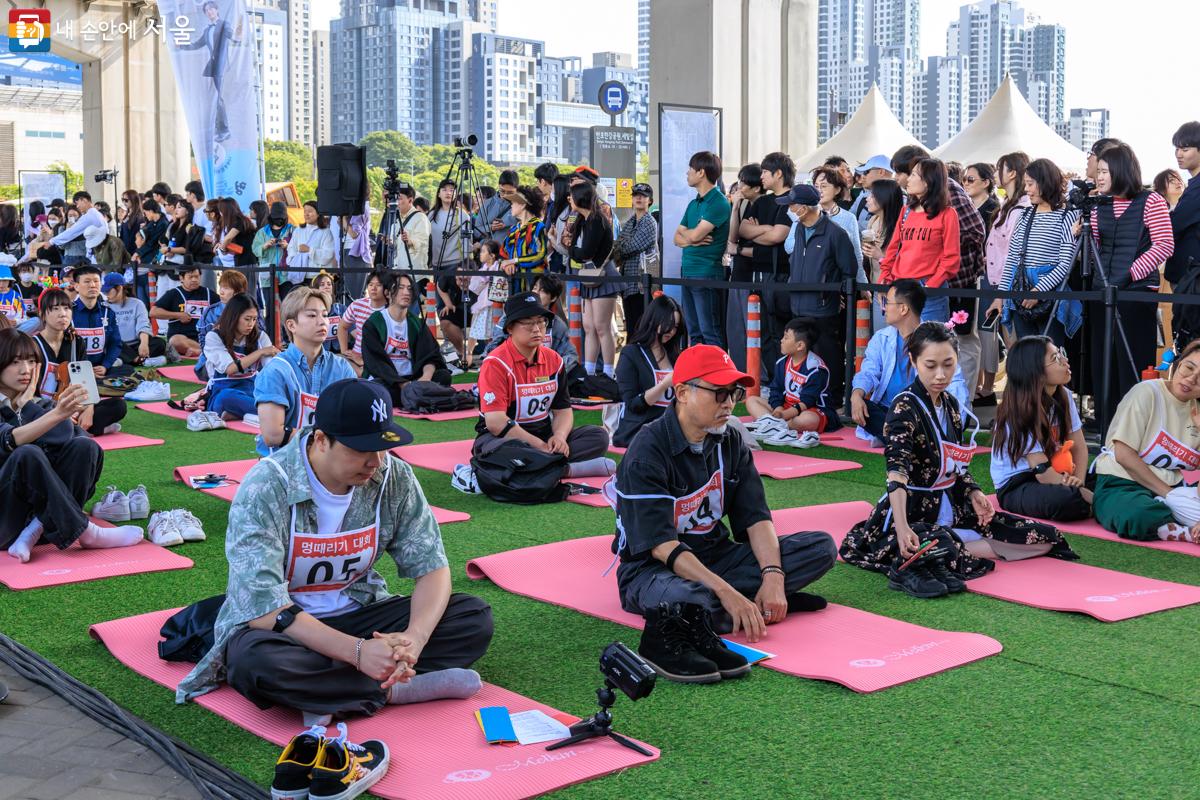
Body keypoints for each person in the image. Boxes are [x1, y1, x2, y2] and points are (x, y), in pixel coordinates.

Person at [176, 378, 494, 724]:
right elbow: (266, 610)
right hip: (287, 627)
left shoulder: (393, 476)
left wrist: (413, 639)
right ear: (321, 439)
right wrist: (357, 654)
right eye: (360, 449)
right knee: (256, 663)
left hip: (360, 613)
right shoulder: (266, 486)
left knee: (472, 617)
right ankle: (393, 689)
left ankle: (333, 690)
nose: (375, 461)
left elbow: (432, 567)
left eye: (381, 446)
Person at [610, 343, 837, 682]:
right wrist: (726, 592)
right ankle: (737, 603)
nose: (730, 403)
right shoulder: (647, 449)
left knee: (820, 548)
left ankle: (751, 600)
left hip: (719, 557)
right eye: (719, 393)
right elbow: (661, 546)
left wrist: (774, 575)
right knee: (688, 596)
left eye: (734, 393)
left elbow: (756, 518)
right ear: (683, 392)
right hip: (652, 570)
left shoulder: (730, 439)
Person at [840, 323, 1075, 598]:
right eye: (930, 365)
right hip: (910, 512)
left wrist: (974, 492)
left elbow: (958, 465)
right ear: (914, 362)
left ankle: (945, 550)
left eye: (948, 364)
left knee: (1043, 537)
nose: (940, 375)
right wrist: (902, 529)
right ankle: (933, 549)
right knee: (929, 539)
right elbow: (897, 474)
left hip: (953, 506)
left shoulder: (951, 405)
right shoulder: (904, 406)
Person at [1, 328, 144, 563]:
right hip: (5, 523)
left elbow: (67, 436)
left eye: (30, 361)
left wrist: (28, 404)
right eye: (15, 362)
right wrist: (49, 412)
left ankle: (36, 530)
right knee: (27, 453)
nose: (26, 370)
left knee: (85, 448)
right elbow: (8, 441)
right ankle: (86, 530)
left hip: (46, 528)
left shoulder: (36, 402)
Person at [1089, 144, 1175, 424]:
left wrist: (1130, 273)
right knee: (1104, 362)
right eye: (1097, 171)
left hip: (1137, 295)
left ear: (1120, 170)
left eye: (1104, 171)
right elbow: (1096, 248)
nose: (1098, 177)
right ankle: (1106, 421)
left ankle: (1136, 425)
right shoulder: (1098, 205)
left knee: (1133, 362)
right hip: (1102, 293)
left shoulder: (1150, 201)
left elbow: (1164, 245)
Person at [474, 292, 609, 469]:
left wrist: (559, 437)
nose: (537, 329)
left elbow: (563, 410)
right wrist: (539, 446)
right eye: (528, 323)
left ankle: (541, 467)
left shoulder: (554, 360)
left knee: (599, 436)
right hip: (504, 438)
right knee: (501, 451)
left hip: (545, 434)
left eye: (540, 322)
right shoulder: (495, 363)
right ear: (510, 328)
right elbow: (496, 422)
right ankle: (559, 468)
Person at [1091, 340, 1200, 543]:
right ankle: (1181, 529)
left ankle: (1173, 517)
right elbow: (1123, 454)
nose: (1191, 379)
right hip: (1122, 483)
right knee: (1137, 515)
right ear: (1178, 363)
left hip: (1172, 489)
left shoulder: (1197, 410)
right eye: (1188, 368)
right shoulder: (1147, 392)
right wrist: (1170, 496)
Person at [850, 280, 970, 443]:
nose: (883, 307)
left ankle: (896, 437)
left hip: (924, 413)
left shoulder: (935, 337)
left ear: (903, 308)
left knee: (950, 416)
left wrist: (955, 422)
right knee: (863, 407)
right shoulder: (881, 338)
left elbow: (956, 383)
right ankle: (908, 438)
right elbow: (868, 372)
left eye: (887, 302)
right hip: (890, 411)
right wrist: (856, 394)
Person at [991, 337, 1092, 522]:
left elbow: (1079, 447)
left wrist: (1079, 480)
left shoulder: (1065, 395)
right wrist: (1084, 494)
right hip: (1019, 483)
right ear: (1035, 373)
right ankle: (1090, 502)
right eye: (1055, 358)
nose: (1065, 361)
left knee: (1106, 477)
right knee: (1064, 500)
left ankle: (1087, 500)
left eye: (1060, 353)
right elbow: (1042, 472)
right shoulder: (1020, 409)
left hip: (1056, 470)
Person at [776, 184, 857, 399]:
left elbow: (849, 269)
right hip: (799, 304)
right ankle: (805, 395)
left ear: (803, 208)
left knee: (828, 353)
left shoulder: (836, 234)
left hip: (823, 308)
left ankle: (833, 396)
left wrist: (840, 294)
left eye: (791, 205)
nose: (789, 210)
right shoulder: (800, 229)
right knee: (802, 355)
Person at [989, 158, 1082, 345]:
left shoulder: (1068, 215)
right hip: (1021, 292)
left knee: (1051, 354)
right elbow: (1013, 260)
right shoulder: (1025, 214)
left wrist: (1038, 291)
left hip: (1050, 295)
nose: (1027, 189)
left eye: (1031, 184)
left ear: (1045, 182)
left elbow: (1065, 264)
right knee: (1028, 355)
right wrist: (1001, 296)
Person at [254, 288, 355, 457]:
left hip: (332, 459)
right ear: (291, 325)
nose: (322, 321)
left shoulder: (341, 367)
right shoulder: (275, 371)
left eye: (324, 314)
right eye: (312, 315)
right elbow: (273, 435)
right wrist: (328, 439)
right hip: (285, 460)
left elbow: (355, 417)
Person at [32, 289, 126, 436]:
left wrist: (88, 408)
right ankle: (85, 430)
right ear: (43, 314)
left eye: (66, 308)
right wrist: (58, 413)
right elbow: (26, 394)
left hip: (70, 405)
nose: (63, 314)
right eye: (55, 309)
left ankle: (74, 429)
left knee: (118, 405)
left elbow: (85, 380)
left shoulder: (76, 341)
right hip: (40, 407)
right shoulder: (32, 345)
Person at [880, 158, 961, 324]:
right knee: (900, 344)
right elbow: (893, 249)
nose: (908, 179)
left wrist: (930, 286)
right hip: (900, 286)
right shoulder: (906, 211)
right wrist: (885, 278)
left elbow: (951, 258)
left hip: (929, 292)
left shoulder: (948, 214)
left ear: (928, 181)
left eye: (914, 175)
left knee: (929, 345)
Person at [979, 152, 1031, 404]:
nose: (996, 173)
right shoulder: (1007, 207)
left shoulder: (1021, 209)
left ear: (1011, 173)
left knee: (1016, 349)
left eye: (1000, 168)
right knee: (1012, 348)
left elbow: (1014, 254)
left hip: (1009, 288)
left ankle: (1019, 403)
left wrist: (1002, 293)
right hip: (997, 283)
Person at [738, 153, 795, 379]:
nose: (760, 177)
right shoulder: (762, 201)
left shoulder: (792, 200)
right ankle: (772, 376)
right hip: (757, 273)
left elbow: (779, 235)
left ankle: (786, 376)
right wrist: (767, 229)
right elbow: (743, 230)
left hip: (781, 274)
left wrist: (762, 230)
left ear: (778, 173)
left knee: (780, 329)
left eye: (764, 172)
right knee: (761, 329)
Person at [744, 318, 842, 447]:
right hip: (786, 407)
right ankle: (773, 424)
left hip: (812, 410)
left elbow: (807, 402)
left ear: (800, 345)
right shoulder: (782, 363)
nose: (781, 340)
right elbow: (776, 390)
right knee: (752, 400)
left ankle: (773, 425)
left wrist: (783, 415)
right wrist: (778, 408)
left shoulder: (816, 369)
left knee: (807, 420)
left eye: (786, 337)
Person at [361, 272, 451, 405]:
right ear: (387, 293)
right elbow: (376, 363)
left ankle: (414, 395)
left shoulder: (417, 323)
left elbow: (431, 355)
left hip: (413, 378)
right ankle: (418, 396)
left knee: (443, 376)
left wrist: (425, 378)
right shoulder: (374, 323)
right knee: (378, 389)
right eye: (400, 288)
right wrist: (402, 384)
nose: (406, 292)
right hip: (388, 380)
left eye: (409, 288)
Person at [483, 272, 584, 388]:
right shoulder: (510, 317)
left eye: (542, 290)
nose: (535, 293)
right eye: (535, 288)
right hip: (512, 371)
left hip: (545, 375)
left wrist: (550, 371)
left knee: (577, 372)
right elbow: (493, 347)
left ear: (553, 298)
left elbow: (571, 355)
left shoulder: (557, 324)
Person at [612, 295, 685, 448]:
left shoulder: (675, 356)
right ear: (654, 320)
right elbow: (633, 404)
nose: (671, 331)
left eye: (676, 326)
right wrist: (663, 385)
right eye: (668, 324)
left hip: (673, 425)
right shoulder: (631, 354)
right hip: (641, 429)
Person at [674, 151, 731, 348]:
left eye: (690, 169)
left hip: (706, 273)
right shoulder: (693, 203)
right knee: (694, 332)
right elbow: (676, 238)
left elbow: (693, 235)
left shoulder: (719, 202)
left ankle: (720, 379)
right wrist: (692, 239)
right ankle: (699, 378)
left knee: (710, 332)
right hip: (687, 272)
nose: (687, 173)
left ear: (701, 172)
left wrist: (690, 238)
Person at [563, 180, 619, 376]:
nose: (569, 199)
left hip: (602, 275)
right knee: (589, 326)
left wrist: (572, 250)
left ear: (581, 197)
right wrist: (572, 250)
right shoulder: (583, 220)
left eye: (572, 195)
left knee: (602, 327)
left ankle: (609, 371)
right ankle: (589, 369)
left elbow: (586, 252)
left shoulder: (596, 219)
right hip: (589, 275)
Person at [203, 293, 277, 421]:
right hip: (225, 390)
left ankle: (240, 413)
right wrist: (260, 352)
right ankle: (272, 413)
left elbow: (271, 370)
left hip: (252, 389)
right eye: (247, 319)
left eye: (254, 319)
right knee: (226, 397)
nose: (251, 324)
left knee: (274, 392)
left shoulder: (260, 337)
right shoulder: (214, 336)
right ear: (234, 317)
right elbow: (230, 369)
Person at [723, 163, 765, 370]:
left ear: (757, 187)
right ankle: (740, 372)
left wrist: (738, 248)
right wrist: (736, 208)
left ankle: (759, 375)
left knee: (754, 329)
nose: (739, 187)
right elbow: (733, 237)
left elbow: (742, 242)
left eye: (743, 183)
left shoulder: (765, 205)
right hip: (738, 271)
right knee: (735, 327)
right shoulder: (743, 204)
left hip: (755, 274)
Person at [612, 183, 659, 337]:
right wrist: (621, 246)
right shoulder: (630, 222)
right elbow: (618, 246)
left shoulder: (650, 222)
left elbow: (629, 247)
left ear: (650, 201)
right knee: (631, 327)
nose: (639, 198)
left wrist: (622, 246)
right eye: (636, 195)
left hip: (642, 285)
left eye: (644, 196)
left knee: (641, 328)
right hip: (628, 283)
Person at [860, 179, 904, 329]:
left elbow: (904, 263)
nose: (867, 198)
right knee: (879, 333)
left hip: (893, 291)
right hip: (876, 287)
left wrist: (880, 257)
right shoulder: (873, 220)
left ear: (884, 198)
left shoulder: (901, 225)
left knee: (891, 333)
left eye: (872, 195)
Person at [102, 272, 166, 368]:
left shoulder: (137, 303)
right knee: (112, 342)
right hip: (117, 345)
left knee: (159, 343)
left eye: (108, 291)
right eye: (104, 291)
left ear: (119, 288)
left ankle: (122, 361)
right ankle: (140, 361)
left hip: (136, 343)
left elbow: (143, 324)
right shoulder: (103, 306)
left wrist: (144, 344)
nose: (106, 294)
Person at [70, 265, 122, 379]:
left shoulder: (108, 312)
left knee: (128, 371)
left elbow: (115, 343)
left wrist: (105, 366)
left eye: (96, 281)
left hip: (100, 368)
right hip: (75, 368)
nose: (93, 285)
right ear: (76, 286)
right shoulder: (68, 312)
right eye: (87, 282)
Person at [152, 266, 216, 358]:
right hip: (182, 337)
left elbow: (223, 309)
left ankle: (200, 351)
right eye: (190, 277)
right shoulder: (173, 293)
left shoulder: (208, 293)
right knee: (175, 341)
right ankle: (205, 351)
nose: (194, 280)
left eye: (197, 277)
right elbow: (153, 312)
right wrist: (178, 315)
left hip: (204, 336)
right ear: (181, 278)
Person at [812, 166, 864, 271]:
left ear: (837, 190)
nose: (819, 191)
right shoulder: (807, 213)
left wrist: (861, 283)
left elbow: (857, 254)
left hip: (838, 277)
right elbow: (789, 246)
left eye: (824, 186)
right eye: (816, 186)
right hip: (812, 275)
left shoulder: (849, 218)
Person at [339, 269, 387, 375]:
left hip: (379, 362)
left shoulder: (391, 310)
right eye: (370, 284)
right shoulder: (357, 305)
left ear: (387, 288)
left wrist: (363, 361)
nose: (373, 288)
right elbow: (342, 327)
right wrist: (344, 352)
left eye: (378, 285)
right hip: (354, 358)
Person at [286, 202, 335, 293]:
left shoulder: (326, 232)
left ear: (318, 213)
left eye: (310, 211)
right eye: (304, 211)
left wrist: (309, 250)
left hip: (316, 276)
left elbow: (328, 254)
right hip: (299, 276)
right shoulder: (298, 230)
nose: (306, 214)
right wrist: (295, 260)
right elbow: (291, 248)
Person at [252, 201, 295, 301]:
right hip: (267, 276)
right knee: (270, 309)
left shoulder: (293, 230)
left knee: (287, 308)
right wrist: (264, 246)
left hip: (287, 277)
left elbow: (299, 250)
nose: (278, 220)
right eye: (276, 217)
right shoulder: (262, 232)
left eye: (281, 217)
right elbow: (255, 250)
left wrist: (288, 246)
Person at [390, 184, 430, 273]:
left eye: (399, 198)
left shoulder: (420, 217)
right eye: (395, 198)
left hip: (415, 274)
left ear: (410, 200)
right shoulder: (397, 220)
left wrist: (410, 241)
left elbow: (423, 243)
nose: (396, 202)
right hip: (399, 271)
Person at [849, 154, 895, 226]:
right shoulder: (863, 196)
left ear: (881, 172)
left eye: (866, 172)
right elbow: (849, 218)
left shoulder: (899, 199)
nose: (863, 177)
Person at [313, 271, 346, 354]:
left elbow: (354, 330)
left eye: (329, 284)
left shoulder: (341, 309)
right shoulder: (310, 311)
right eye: (322, 284)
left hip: (340, 353)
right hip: (318, 354)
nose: (326, 287)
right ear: (316, 289)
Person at [964, 163, 1000, 232]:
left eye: (970, 179)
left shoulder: (994, 210)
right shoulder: (965, 208)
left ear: (985, 183)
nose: (966, 183)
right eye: (964, 179)